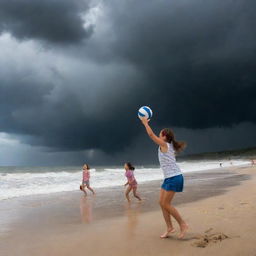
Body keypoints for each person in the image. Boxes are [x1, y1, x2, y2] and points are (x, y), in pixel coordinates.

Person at [140, 117, 188, 239]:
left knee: (166, 204)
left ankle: (183, 224)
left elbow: (151, 135)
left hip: (175, 177)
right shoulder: (168, 144)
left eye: (160, 133)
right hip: (168, 178)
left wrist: (145, 123)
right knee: (161, 203)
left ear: (165, 136)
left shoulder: (165, 144)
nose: (158, 135)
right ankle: (169, 228)